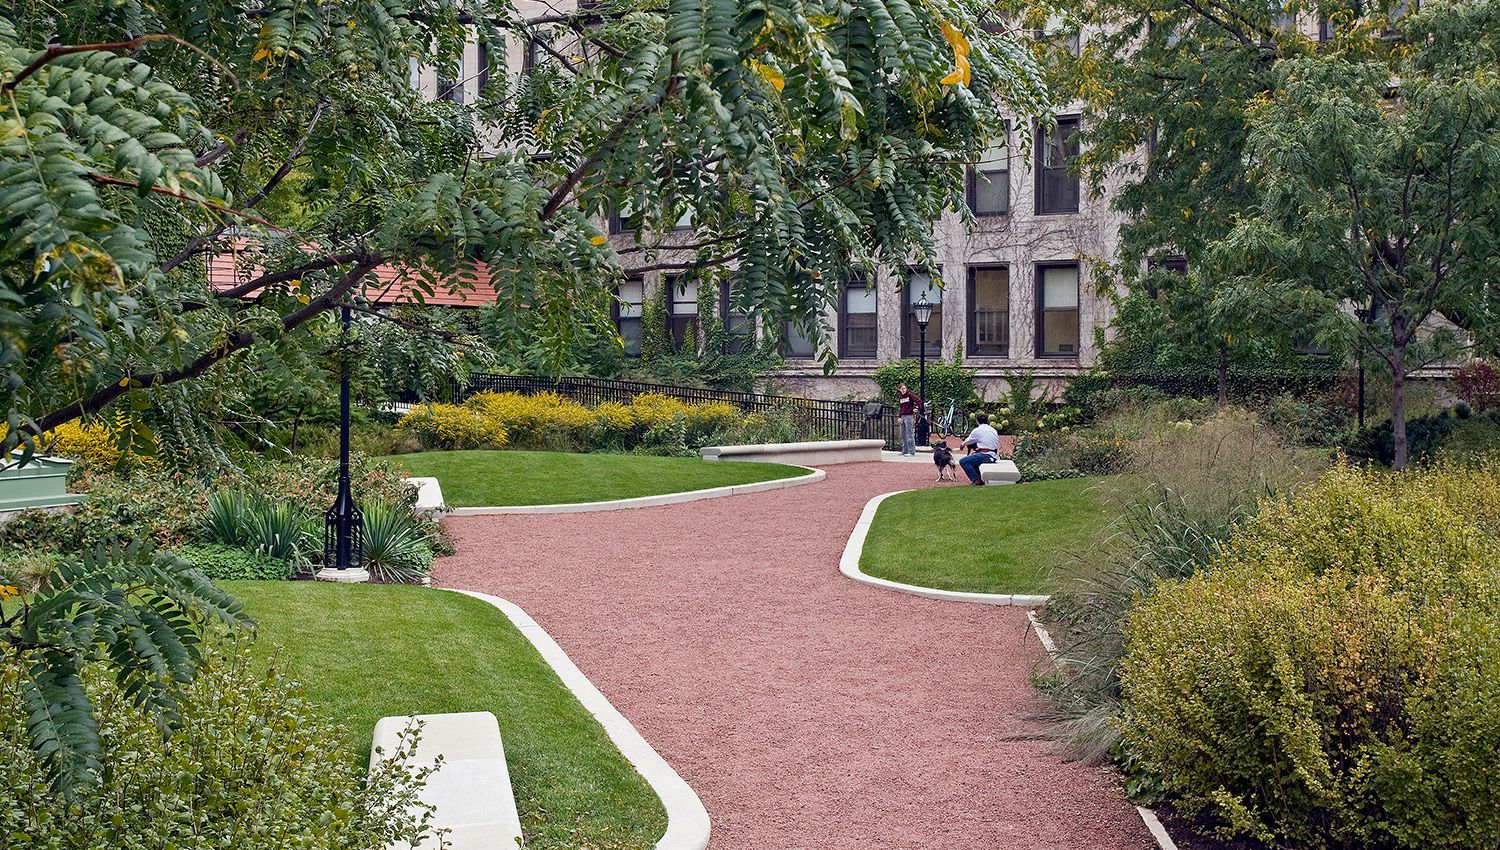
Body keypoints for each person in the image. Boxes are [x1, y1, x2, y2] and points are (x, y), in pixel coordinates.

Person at [959, 413, 1001, 485]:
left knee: (964, 461)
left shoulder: (977, 430)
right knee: (973, 457)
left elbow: (969, 440)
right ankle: (979, 478)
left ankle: (976, 480)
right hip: (994, 455)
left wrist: (962, 445)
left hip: (987, 455)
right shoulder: (993, 430)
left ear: (977, 421)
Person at [896, 382, 923, 456]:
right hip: (903, 416)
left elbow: (919, 401)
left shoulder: (910, 395)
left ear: (906, 389)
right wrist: (899, 416)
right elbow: (901, 408)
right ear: (899, 390)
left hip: (909, 416)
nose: (903, 390)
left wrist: (916, 408)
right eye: (902, 389)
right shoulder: (900, 397)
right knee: (903, 434)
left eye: (904, 388)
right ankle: (905, 450)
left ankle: (912, 451)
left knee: (909, 434)